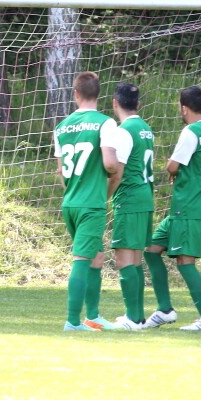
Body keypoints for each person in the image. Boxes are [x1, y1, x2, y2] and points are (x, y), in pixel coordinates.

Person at [142, 85, 201, 330]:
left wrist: (173, 169)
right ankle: (165, 310)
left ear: (184, 108)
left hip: (189, 207)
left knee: (185, 262)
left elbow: (172, 166)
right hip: (186, 208)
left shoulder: (191, 131)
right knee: (151, 249)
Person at [53, 71, 120, 331]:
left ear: (76, 94)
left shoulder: (62, 127)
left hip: (70, 202)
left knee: (96, 256)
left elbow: (61, 170)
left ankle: (93, 316)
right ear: (98, 94)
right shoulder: (105, 123)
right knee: (82, 260)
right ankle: (72, 321)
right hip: (91, 204)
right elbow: (110, 164)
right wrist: (113, 172)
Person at [108, 83, 155, 331]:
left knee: (124, 258)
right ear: (138, 104)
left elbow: (117, 172)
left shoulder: (123, 131)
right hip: (145, 197)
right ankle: (137, 317)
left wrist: (104, 196)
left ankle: (132, 319)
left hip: (130, 198)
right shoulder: (146, 128)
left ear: (115, 103)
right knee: (135, 260)